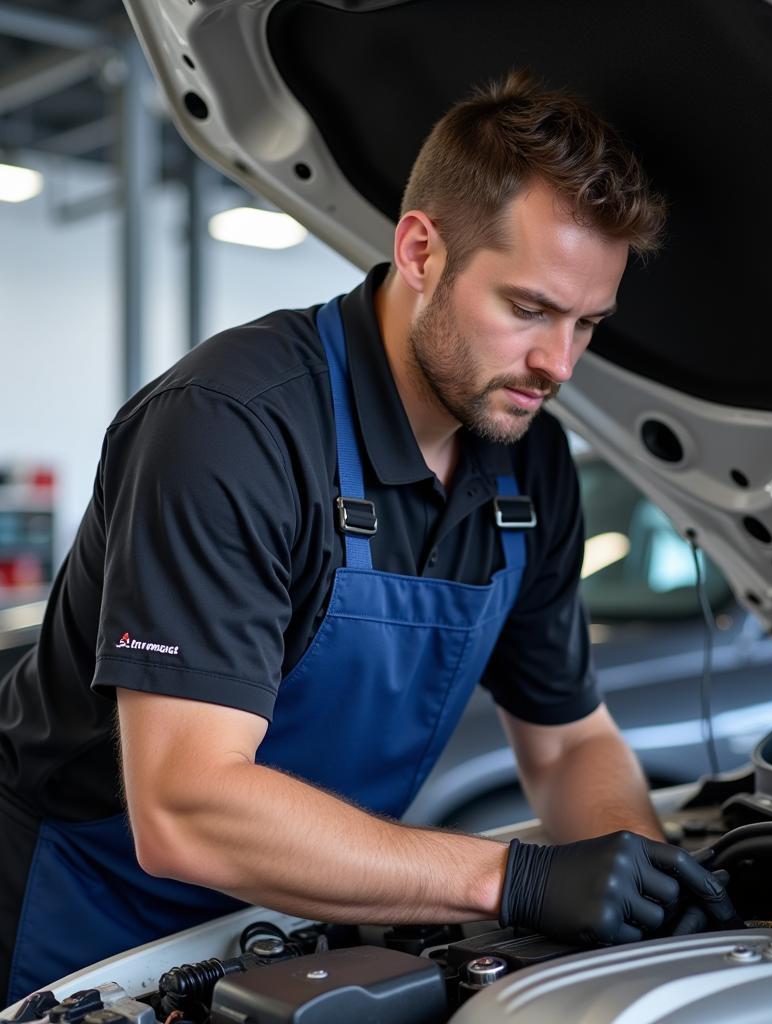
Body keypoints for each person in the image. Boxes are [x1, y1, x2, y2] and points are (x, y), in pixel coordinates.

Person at [0, 71, 734, 1005]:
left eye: (587, 323)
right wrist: (514, 878)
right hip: (86, 924)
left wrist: (647, 890)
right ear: (422, 250)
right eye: (528, 309)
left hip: (296, 914)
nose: (559, 364)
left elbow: (568, 741)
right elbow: (184, 809)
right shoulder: (233, 427)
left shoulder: (529, 461)